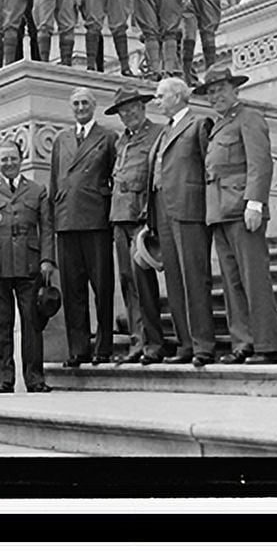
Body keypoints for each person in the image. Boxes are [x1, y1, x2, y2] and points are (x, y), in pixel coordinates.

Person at [194, 65, 277, 365]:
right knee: (232, 282)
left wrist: (255, 203)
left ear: (235, 90)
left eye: (220, 89)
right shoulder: (219, 124)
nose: (215, 95)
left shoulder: (249, 118)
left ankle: (267, 344)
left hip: (243, 210)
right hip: (220, 212)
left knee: (253, 279)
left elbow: (260, 163)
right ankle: (243, 342)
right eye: (210, 91)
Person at [0, 140, 56, 393]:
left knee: (32, 323)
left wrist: (47, 260)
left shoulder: (37, 190)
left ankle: (34, 378)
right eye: (4, 159)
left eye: (13, 158)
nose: (8, 163)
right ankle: (3, 379)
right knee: (0, 324)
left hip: (30, 266)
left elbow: (47, 228)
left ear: (21, 159)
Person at [147, 77, 215, 368]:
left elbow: (207, 169)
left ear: (177, 96)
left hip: (189, 209)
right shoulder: (163, 132)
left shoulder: (199, 124)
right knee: (173, 279)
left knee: (194, 277)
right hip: (162, 209)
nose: (157, 100)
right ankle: (185, 342)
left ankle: (203, 344)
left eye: (161, 95)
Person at [49, 87, 117, 365]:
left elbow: (116, 178)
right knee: (73, 289)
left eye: (85, 102)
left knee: (102, 286)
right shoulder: (61, 139)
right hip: (67, 221)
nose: (80, 107)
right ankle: (78, 348)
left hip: (95, 219)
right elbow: (55, 181)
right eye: (76, 103)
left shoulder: (108, 137)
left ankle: (103, 346)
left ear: (94, 105)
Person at [104, 85, 165, 365]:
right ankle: (137, 341)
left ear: (143, 107)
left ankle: (154, 342)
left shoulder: (157, 134)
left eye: (132, 108)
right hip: (119, 217)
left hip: (141, 217)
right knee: (127, 281)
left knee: (144, 282)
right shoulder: (120, 142)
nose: (128, 114)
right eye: (123, 111)